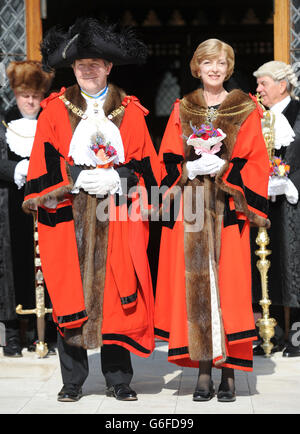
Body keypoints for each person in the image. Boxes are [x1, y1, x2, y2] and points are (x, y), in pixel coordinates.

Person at [23, 18, 160, 402]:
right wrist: (77, 177)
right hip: (70, 215)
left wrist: (120, 179)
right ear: (73, 67)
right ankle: (73, 381)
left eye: (96, 62)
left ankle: (118, 378)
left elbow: (148, 167)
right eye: (81, 63)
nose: (87, 68)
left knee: (117, 295)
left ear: (109, 67)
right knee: (71, 294)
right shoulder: (54, 109)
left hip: (116, 216)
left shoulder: (130, 110)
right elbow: (42, 166)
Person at [154, 39, 270, 402]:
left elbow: (257, 163)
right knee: (196, 289)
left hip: (228, 213)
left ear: (229, 67)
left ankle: (230, 374)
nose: (214, 69)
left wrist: (224, 169)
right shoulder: (182, 107)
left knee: (231, 290)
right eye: (208, 63)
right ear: (197, 67)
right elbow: (166, 160)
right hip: (192, 211)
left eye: (221, 62)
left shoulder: (245, 108)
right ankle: (204, 369)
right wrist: (188, 167)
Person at [0, 61, 54, 357]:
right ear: (16, 94)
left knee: (44, 265)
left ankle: (43, 331)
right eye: (24, 95)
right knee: (11, 266)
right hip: (8, 205)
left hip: (45, 205)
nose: (30, 102)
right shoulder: (3, 120)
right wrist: (15, 168)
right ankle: (12, 333)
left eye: (35, 96)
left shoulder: (51, 120)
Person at [252, 61, 300, 358]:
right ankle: (272, 334)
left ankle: (297, 332)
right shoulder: (259, 116)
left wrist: (292, 183)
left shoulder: (298, 113)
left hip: (294, 201)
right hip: (263, 200)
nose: (258, 89)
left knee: (293, 263)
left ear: (282, 85)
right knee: (265, 262)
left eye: (263, 84)